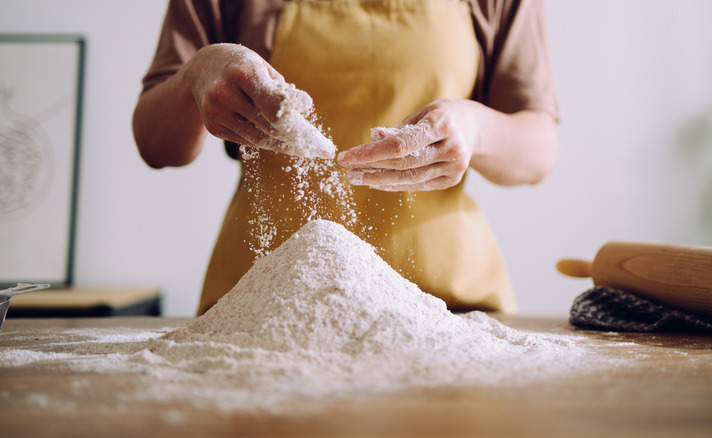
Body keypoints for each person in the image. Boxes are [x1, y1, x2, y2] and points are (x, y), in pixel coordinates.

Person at [133, 0, 560, 316]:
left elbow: (539, 149)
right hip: (263, 307)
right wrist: (197, 73)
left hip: (448, 308)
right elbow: (155, 145)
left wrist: (474, 129)